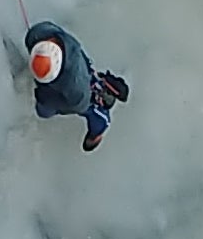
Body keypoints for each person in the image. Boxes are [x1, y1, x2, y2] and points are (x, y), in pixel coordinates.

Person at [25, 18, 130, 153]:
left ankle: (106, 94)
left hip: (83, 96)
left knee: (44, 111)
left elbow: (47, 103)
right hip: (84, 78)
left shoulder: (78, 95)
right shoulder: (43, 35)